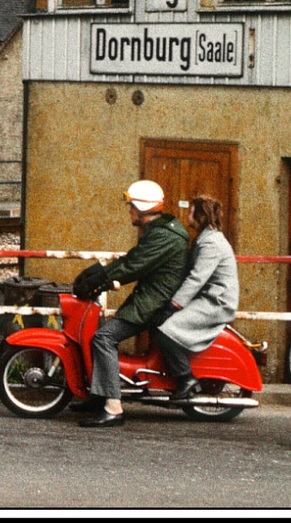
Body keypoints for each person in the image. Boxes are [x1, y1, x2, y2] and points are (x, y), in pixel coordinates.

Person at [72, 179, 191, 428]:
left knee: (104, 338)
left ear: (142, 207)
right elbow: (134, 259)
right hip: (150, 297)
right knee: (101, 333)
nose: (129, 211)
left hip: (153, 303)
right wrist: (103, 275)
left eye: (131, 207)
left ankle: (113, 407)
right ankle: (100, 395)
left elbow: (133, 266)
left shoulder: (163, 237)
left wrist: (101, 277)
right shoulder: (159, 232)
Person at [154, 195, 240, 403]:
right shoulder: (205, 238)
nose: (188, 216)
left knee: (165, 329)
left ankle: (185, 378)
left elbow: (197, 278)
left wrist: (174, 304)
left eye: (192, 212)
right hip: (208, 298)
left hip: (216, 303)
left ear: (201, 216)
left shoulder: (211, 243)